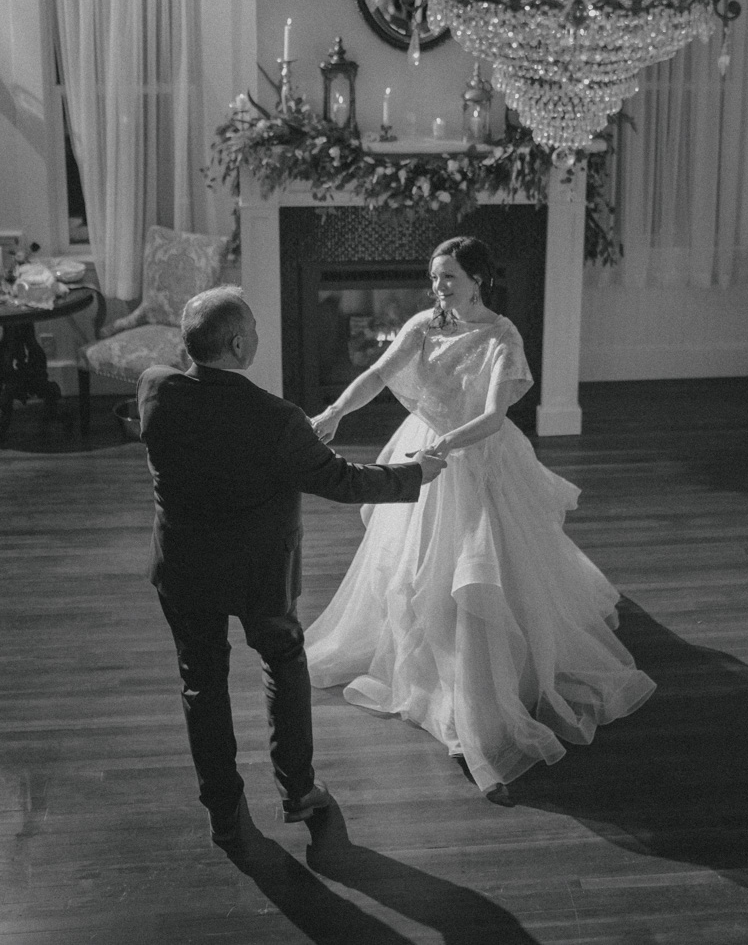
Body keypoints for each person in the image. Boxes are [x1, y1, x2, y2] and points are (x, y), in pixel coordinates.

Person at [305, 237, 655, 805]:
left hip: (474, 454)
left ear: (476, 280)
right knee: (417, 569)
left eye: (448, 277)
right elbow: (376, 374)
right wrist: (335, 411)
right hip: (427, 450)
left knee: (481, 571)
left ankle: (482, 696)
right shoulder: (425, 324)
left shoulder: (502, 336)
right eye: (434, 277)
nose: (438, 287)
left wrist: (443, 446)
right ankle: (429, 660)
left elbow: (493, 416)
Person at [137, 286, 447, 846]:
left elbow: (221, 438)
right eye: (253, 327)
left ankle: (222, 806)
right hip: (260, 573)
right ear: (236, 343)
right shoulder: (276, 420)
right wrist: (415, 474)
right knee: (282, 663)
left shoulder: (155, 387)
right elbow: (342, 480)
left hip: (184, 567)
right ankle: (299, 792)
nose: (258, 334)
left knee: (200, 683)